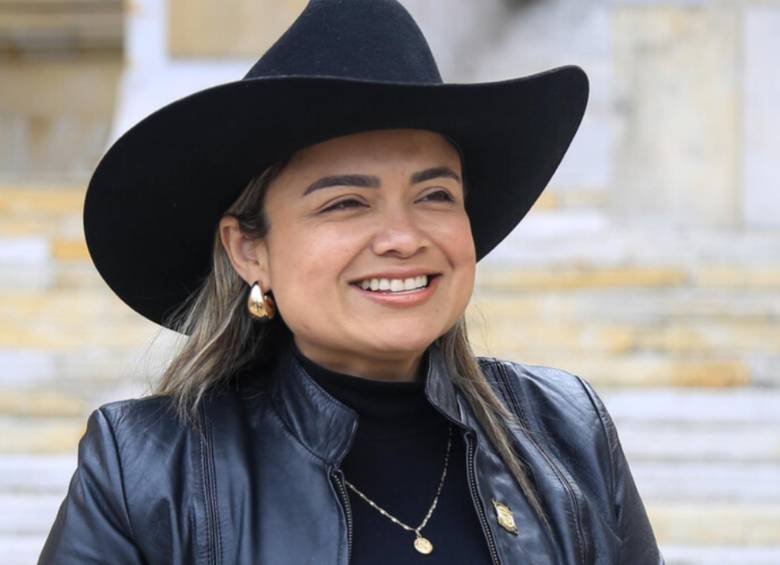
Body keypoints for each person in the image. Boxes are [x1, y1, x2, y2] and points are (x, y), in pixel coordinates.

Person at [38, 0, 664, 563]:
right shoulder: (147, 472)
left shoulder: (568, 433)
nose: (403, 237)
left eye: (435, 194)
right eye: (345, 203)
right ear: (249, 249)